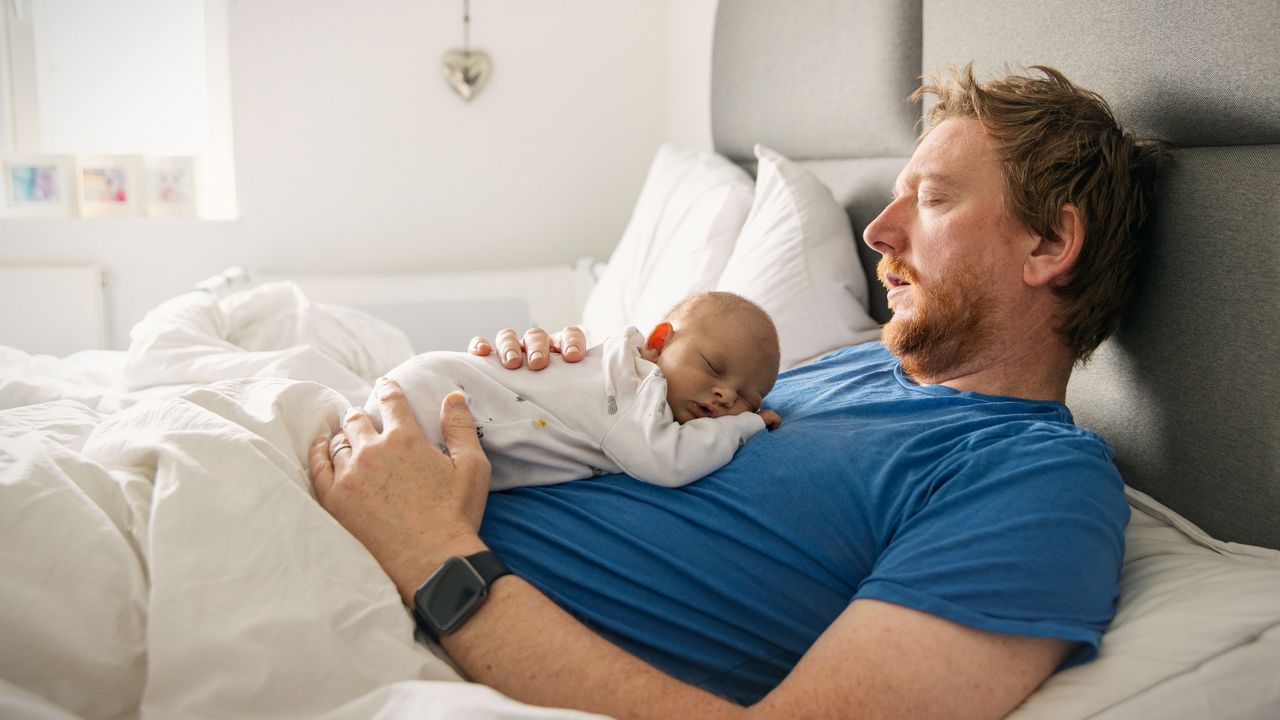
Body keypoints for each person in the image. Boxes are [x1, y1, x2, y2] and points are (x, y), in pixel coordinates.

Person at [308, 64, 1163, 719]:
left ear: (1050, 243)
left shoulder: (1036, 484)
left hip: (402, 594)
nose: (877, 232)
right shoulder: (844, 367)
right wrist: (546, 384)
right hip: (367, 506)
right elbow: (633, 430)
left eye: (931, 199)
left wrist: (432, 555)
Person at [362, 291, 782, 490]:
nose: (726, 395)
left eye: (747, 397)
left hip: (434, 385)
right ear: (657, 343)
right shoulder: (639, 387)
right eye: (713, 367)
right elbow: (666, 462)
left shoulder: (623, 368)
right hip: (440, 400)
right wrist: (745, 425)